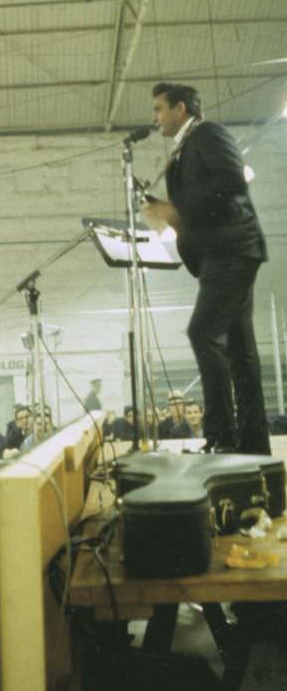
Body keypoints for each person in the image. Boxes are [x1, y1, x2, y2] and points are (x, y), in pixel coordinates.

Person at [146, 82, 270, 455]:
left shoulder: (208, 133)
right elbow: (203, 205)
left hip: (232, 250)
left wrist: (177, 211)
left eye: (158, 109)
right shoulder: (184, 149)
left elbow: (231, 179)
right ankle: (252, 446)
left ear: (180, 108)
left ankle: (220, 438)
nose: (154, 117)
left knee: (203, 333)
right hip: (225, 252)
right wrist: (173, 216)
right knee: (241, 351)